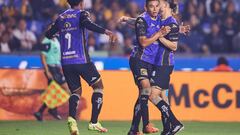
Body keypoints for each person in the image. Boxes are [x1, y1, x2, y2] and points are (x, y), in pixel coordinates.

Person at [45, 0, 117, 135]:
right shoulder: (81, 14)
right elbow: (87, 24)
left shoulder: (60, 17)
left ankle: (72, 121)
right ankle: (94, 122)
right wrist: (106, 31)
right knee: (99, 87)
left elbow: (48, 35)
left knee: (75, 93)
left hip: (66, 62)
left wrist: (57, 28)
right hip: (81, 60)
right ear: (82, 2)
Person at [127, 0, 171, 134]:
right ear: (146, 7)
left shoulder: (159, 19)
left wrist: (180, 29)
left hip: (152, 62)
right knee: (146, 89)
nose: (155, 9)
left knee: (143, 94)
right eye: (151, 6)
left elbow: (165, 27)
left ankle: (134, 129)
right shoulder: (142, 19)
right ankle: (146, 125)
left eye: (157, 6)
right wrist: (158, 34)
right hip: (139, 59)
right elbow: (143, 43)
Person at [34, 36, 70, 121]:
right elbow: (42, 56)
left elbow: (57, 55)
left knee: (54, 90)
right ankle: (51, 110)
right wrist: (47, 71)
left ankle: (43, 111)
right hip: (51, 68)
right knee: (64, 89)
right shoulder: (46, 41)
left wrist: (60, 67)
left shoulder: (56, 40)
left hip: (56, 68)